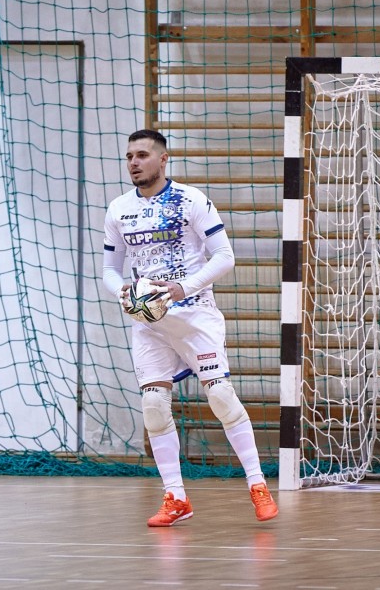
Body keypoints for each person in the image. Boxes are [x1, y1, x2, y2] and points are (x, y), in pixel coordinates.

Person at [102, 129, 279, 527]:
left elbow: (224, 258)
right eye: (129, 155)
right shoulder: (118, 210)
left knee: (221, 397)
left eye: (142, 155)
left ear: (163, 160)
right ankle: (175, 497)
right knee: (152, 406)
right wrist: (124, 293)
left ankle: (257, 484)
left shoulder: (191, 200)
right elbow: (109, 271)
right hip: (149, 322)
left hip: (196, 313)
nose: (134, 162)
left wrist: (184, 287)